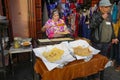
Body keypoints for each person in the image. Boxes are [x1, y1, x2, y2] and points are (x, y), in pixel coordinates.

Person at [89, 0, 119, 80]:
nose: (108, 8)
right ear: (100, 8)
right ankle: (95, 76)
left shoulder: (109, 15)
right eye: (106, 7)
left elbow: (111, 27)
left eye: (109, 7)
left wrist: (114, 37)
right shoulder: (95, 15)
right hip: (97, 44)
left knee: (103, 62)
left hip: (106, 44)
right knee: (96, 61)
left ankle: (101, 76)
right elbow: (91, 26)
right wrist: (101, 18)